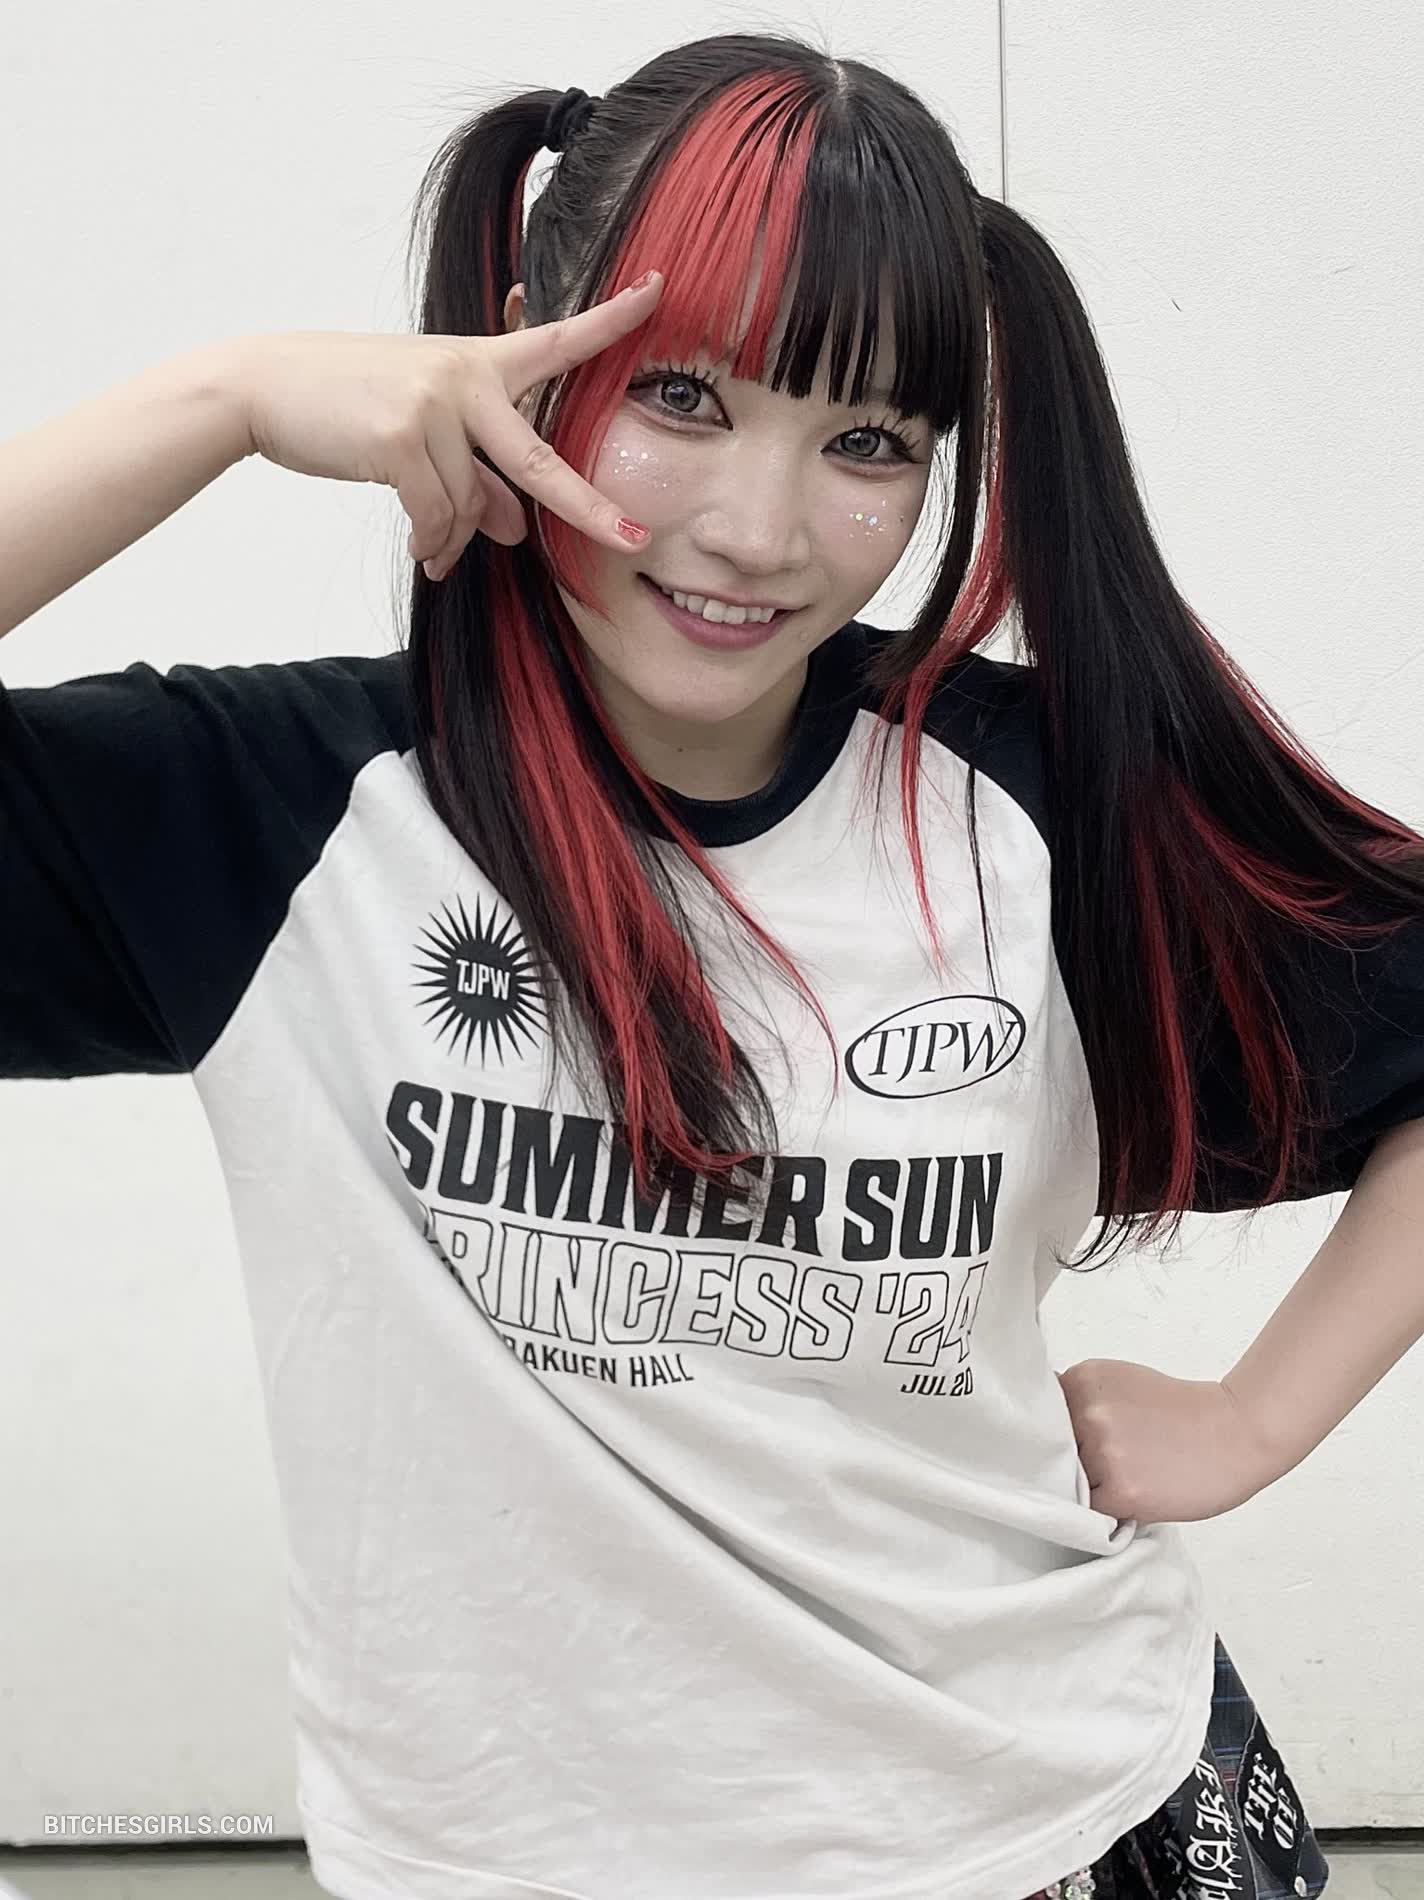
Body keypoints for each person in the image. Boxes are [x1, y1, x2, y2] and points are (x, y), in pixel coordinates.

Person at [5, 28, 1424, 1900]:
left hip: (1053, 1825)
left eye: (866, 444)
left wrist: (1256, 1415)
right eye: (679, 395)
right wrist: (225, 398)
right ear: (519, 349)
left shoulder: (1029, 815)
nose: (756, 534)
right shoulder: (284, 823)